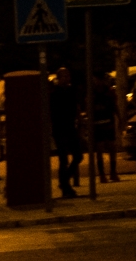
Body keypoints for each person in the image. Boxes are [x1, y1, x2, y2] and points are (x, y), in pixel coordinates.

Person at [50, 67, 86, 195]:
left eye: (68, 76)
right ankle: (65, 186)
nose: (67, 78)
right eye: (64, 76)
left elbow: (76, 107)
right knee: (63, 159)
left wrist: (80, 121)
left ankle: (64, 180)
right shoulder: (54, 93)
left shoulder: (71, 91)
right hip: (59, 128)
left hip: (70, 127)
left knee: (78, 156)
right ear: (58, 78)